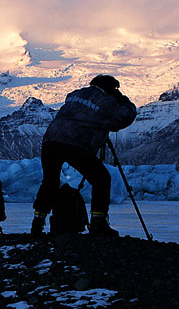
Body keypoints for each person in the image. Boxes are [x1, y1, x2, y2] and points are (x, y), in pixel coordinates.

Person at [31, 75, 137, 236]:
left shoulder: (75, 95)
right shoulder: (106, 101)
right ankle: (98, 223)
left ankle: (37, 224)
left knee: (50, 182)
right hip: (75, 143)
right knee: (101, 179)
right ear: (111, 89)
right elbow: (125, 117)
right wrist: (122, 99)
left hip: (50, 141)